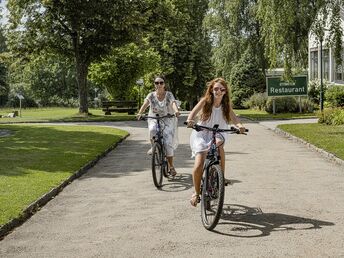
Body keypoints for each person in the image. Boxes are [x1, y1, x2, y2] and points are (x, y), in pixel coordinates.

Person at [186, 77, 246, 207]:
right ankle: (196, 193)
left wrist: (240, 126)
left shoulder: (226, 105)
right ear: (211, 90)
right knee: (199, 164)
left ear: (225, 92)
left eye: (222, 89)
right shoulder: (205, 101)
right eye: (216, 89)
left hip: (218, 132)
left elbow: (235, 119)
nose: (219, 91)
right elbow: (192, 113)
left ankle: (221, 177)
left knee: (219, 146)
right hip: (202, 133)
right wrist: (190, 121)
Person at [137, 75, 180, 176]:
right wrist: (140, 113)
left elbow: (173, 103)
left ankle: (171, 166)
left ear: (164, 84)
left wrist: (176, 111)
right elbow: (145, 104)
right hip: (154, 119)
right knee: (152, 130)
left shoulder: (169, 95)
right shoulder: (151, 95)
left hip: (167, 119)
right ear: (154, 85)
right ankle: (153, 146)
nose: (159, 85)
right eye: (157, 83)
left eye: (161, 83)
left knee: (168, 144)